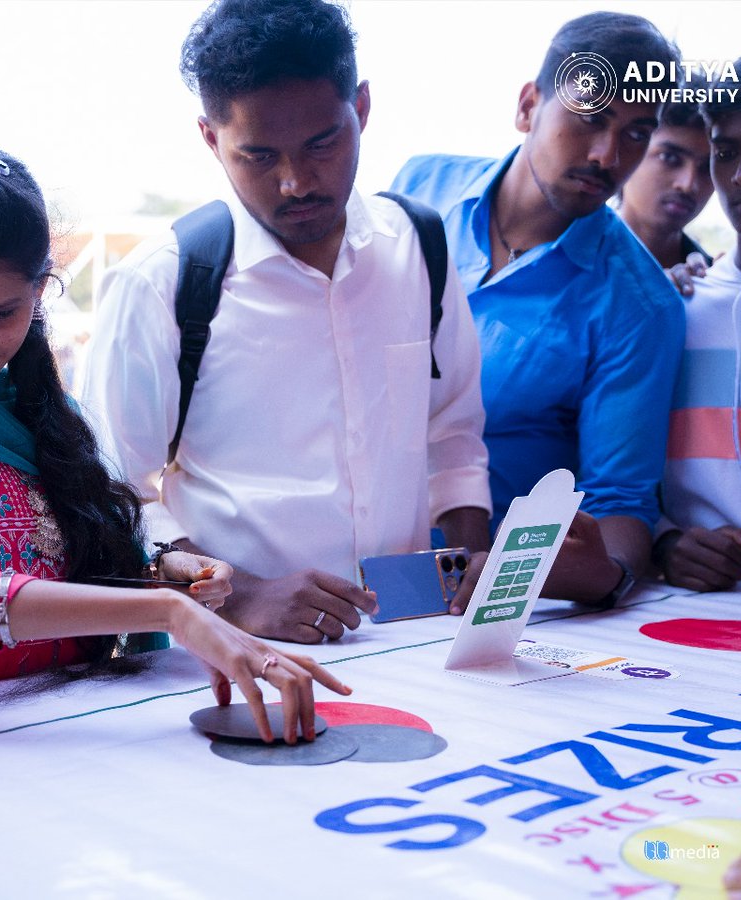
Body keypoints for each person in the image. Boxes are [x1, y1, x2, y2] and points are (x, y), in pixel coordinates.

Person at [0, 144, 350, 745]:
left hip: (66, 740)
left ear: (42, 288)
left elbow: (67, 560)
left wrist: (155, 575)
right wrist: (163, 611)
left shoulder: (55, 415)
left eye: (2, 313)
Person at [81, 0, 492, 644]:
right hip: (232, 655)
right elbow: (110, 496)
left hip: (419, 635)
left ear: (360, 110)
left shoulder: (422, 248)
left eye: (322, 144)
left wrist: (474, 570)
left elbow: (454, 435)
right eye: (259, 156)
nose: (296, 182)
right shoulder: (162, 283)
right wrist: (241, 595)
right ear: (211, 140)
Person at [390, 12, 685, 607]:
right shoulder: (419, 186)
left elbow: (621, 504)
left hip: (472, 592)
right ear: (529, 106)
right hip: (326, 553)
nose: (607, 156)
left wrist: (607, 578)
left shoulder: (641, 305)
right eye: (591, 118)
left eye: (635, 133)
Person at [655, 48, 741, 598]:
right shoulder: (673, 309)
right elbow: (626, 479)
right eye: (726, 152)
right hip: (694, 633)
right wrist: (669, 545)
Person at [618, 86, 715, 295]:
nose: (688, 184)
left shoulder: (712, 282)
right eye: (669, 157)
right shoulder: (555, 256)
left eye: (708, 167)